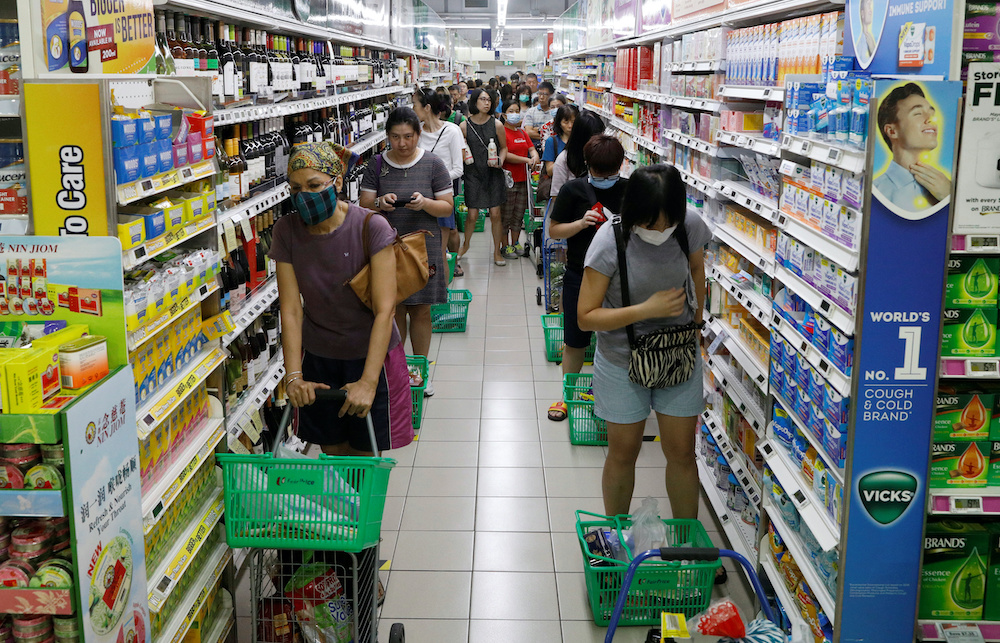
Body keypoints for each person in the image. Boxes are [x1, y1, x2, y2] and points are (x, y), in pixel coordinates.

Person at [577, 164, 710, 525]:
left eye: (669, 223)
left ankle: (686, 546)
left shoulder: (690, 226)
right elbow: (585, 316)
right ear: (634, 211)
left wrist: (697, 322)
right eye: (652, 224)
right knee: (623, 453)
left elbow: (697, 269)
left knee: (682, 453)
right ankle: (615, 538)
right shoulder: (609, 240)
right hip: (622, 360)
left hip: (678, 357)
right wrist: (644, 310)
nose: (661, 231)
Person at [271, 141, 413, 456]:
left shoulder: (370, 226)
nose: (304, 195)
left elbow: (385, 310)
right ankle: (343, 509)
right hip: (320, 360)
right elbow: (291, 310)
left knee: (365, 460)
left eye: (313, 185)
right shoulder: (287, 230)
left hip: (371, 356)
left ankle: (365, 509)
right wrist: (293, 376)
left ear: (337, 181)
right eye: (295, 188)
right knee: (334, 458)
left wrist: (368, 381)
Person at [359, 107, 454, 397]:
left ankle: (421, 370)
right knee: (392, 310)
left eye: (409, 137)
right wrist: (380, 204)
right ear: (387, 136)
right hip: (386, 249)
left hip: (423, 248)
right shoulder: (376, 165)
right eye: (396, 137)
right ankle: (399, 371)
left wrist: (425, 203)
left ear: (418, 135)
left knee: (421, 310)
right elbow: (364, 204)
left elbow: (447, 206)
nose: (402, 144)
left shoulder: (434, 164)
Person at [545, 135, 628, 422]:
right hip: (580, 273)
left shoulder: (631, 191)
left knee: (617, 340)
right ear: (588, 166)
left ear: (620, 165)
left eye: (611, 172)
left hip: (620, 279)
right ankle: (567, 395)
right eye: (599, 171)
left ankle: (609, 394)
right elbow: (553, 231)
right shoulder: (572, 190)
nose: (605, 177)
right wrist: (580, 223)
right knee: (575, 340)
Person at [413, 88, 467, 279]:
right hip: (418, 199)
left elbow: (458, 169)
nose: (413, 109)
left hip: (442, 198)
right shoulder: (416, 132)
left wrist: (433, 183)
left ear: (427, 108)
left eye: (415, 105)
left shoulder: (451, 131)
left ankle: (441, 299)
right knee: (420, 254)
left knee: (439, 252)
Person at [872, 82, 951, 211]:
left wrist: (949, 197)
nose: (932, 120)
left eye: (932, 113)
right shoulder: (876, 192)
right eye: (918, 113)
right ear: (892, 131)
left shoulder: (947, 187)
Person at [459, 88, 508, 265]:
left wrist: (500, 161)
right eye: (482, 99)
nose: (487, 103)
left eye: (489, 100)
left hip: (493, 174)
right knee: (472, 215)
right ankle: (466, 244)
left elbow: (504, 148)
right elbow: (460, 149)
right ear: (474, 102)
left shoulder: (497, 125)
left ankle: (496, 252)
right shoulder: (464, 126)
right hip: (473, 174)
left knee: (495, 214)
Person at [499, 99, 540, 260]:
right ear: (504, 114)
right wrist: (527, 161)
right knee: (506, 216)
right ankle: (504, 246)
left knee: (519, 214)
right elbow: (505, 154)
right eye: (511, 111)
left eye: (517, 111)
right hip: (508, 180)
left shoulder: (522, 133)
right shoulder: (501, 132)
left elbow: (531, 148)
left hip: (524, 180)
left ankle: (515, 243)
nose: (515, 114)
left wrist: (535, 157)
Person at [551, 110, 605, 197]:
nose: (597, 141)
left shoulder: (603, 155)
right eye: (593, 137)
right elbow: (556, 196)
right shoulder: (564, 160)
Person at [542, 104, 578, 179]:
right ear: (559, 123)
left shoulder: (581, 140)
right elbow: (549, 171)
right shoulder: (552, 141)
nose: (570, 125)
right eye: (566, 122)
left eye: (573, 122)